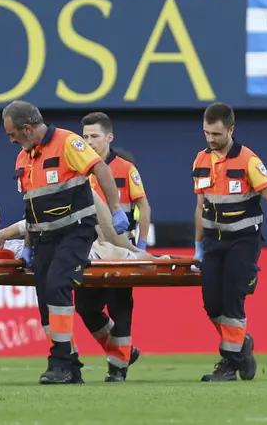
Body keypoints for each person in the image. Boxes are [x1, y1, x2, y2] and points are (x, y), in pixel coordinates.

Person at [0, 100, 127, 384]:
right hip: (43, 237)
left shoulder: (68, 143)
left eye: (12, 133)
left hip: (76, 231)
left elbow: (101, 170)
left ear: (27, 128)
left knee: (58, 286)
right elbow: (30, 206)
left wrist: (116, 208)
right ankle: (69, 365)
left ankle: (60, 361)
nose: (10, 140)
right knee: (45, 297)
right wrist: (27, 244)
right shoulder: (24, 158)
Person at [193, 102, 267, 382]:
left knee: (233, 300)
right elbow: (200, 206)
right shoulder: (201, 161)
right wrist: (198, 245)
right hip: (213, 242)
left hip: (243, 240)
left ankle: (229, 364)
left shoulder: (249, 161)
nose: (210, 139)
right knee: (211, 304)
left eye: (216, 134)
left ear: (230, 130)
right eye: (206, 133)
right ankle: (242, 345)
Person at [77, 111, 150, 382]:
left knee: (120, 307)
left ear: (109, 137)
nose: (89, 141)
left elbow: (143, 205)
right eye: (85, 137)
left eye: (94, 136)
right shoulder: (78, 168)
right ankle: (123, 350)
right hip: (89, 249)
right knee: (85, 306)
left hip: (120, 248)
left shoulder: (125, 169)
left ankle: (117, 367)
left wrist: (140, 244)